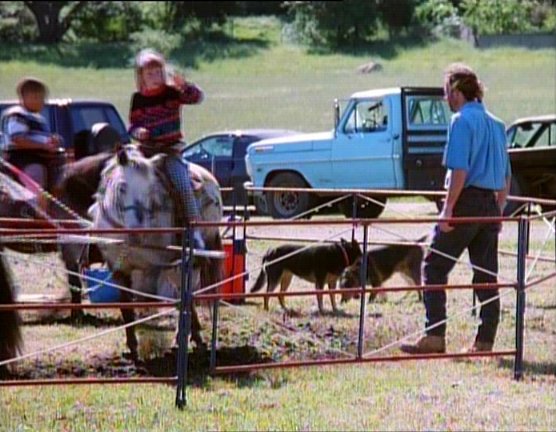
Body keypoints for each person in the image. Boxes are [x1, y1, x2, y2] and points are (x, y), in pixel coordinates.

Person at [400, 63, 511, 354]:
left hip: (466, 202)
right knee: (486, 274)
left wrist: (448, 209)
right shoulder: (498, 125)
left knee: (433, 265)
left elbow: (459, 169)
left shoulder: (461, 122)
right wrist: (498, 209)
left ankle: (434, 335)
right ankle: (485, 340)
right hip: (489, 203)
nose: (446, 99)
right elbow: (506, 176)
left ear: (458, 91)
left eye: (447, 92)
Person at [128, 48, 206, 249]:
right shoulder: (138, 98)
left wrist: (185, 86)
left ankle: (194, 229)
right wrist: (139, 132)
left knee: (181, 182)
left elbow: (197, 98)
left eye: (158, 72)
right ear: (141, 78)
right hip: (145, 151)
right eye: (150, 74)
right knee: (123, 175)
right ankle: (125, 224)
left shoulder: (173, 93)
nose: (155, 77)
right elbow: (133, 125)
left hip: (170, 151)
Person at [1, 77, 63, 198]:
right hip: (22, 158)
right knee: (36, 176)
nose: (41, 102)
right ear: (23, 98)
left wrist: (52, 141)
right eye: (36, 97)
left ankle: (55, 206)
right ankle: (37, 210)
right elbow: (17, 139)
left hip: (40, 157)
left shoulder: (39, 118)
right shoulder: (18, 114)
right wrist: (43, 146)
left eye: (42, 98)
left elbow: (39, 137)